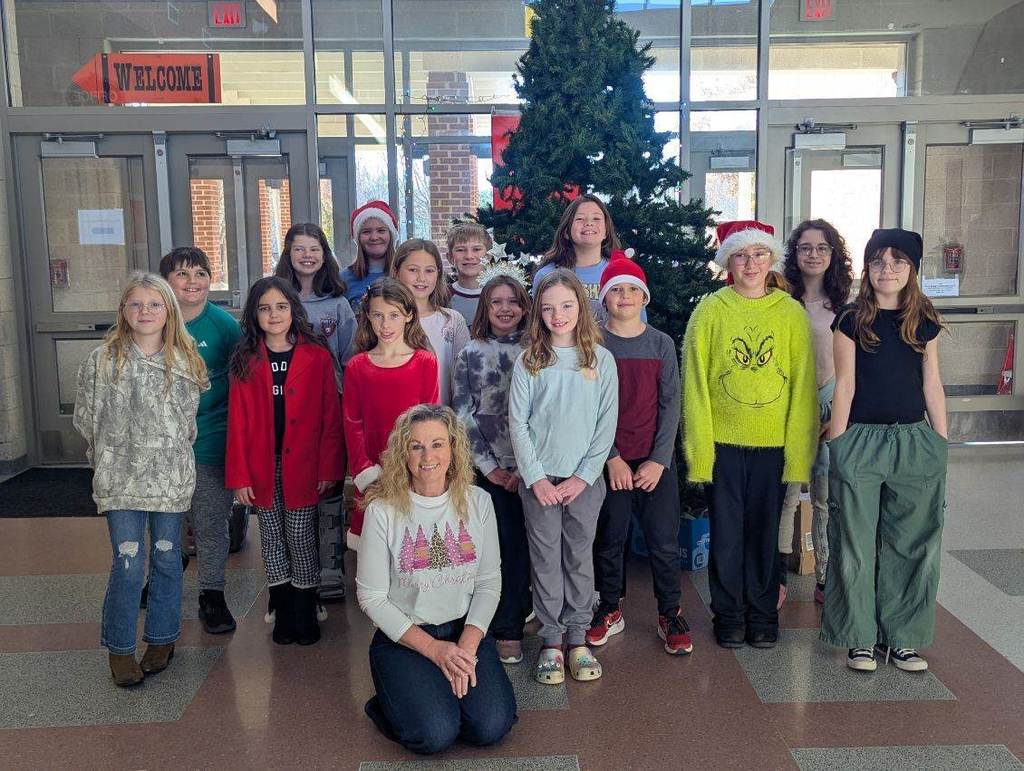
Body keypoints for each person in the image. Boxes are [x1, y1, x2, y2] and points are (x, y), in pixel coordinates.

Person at [681, 220, 817, 650]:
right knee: (727, 530)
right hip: (723, 442)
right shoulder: (711, 310)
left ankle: (762, 614)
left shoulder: (789, 312)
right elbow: (695, 385)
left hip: (772, 444)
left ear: (771, 259)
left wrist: (799, 452)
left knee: (763, 530)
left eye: (759, 254)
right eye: (741, 255)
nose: (751, 263)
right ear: (728, 263)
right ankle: (729, 614)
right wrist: (699, 451)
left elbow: (802, 383)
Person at [820, 228, 948, 674]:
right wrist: (839, 444)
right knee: (855, 542)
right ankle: (859, 638)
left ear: (911, 270)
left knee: (913, 542)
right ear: (867, 269)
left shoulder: (924, 318)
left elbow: (932, 382)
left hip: (914, 440)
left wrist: (940, 440)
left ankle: (904, 638)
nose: (887, 270)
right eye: (878, 261)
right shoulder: (852, 320)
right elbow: (845, 385)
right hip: (861, 440)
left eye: (897, 262)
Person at [356, 404, 517, 755]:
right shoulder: (383, 510)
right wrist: (433, 650)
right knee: (434, 735)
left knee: (491, 726)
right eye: (416, 446)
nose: (428, 455)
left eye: (438, 444)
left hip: (464, 631)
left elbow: (489, 583)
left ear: (454, 449)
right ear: (403, 454)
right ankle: (392, 698)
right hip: (407, 638)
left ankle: (431, 691)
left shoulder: (479, 502)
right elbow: (372, 597)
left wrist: (467, 647)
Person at [73, 272, 208, 686]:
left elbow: (188, 424)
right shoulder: (102, 361)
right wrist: (112, 453)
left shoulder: (186, 362)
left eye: (154, 304)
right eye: (136, 304)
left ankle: (162, 638)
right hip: (120, 480)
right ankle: (119, 648)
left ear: (168, 310)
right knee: (129, 563)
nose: (145, 312)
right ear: (123, 311)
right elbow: (86, 418)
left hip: (169, 480)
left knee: (167, 558)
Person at [509, 269, 618, 684]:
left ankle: (578, 638)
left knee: (577, 555)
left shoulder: (600, 359)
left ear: (581, 308)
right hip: (540, 481)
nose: (559, 315)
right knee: (545, 558)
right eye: (549, 308)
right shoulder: (530, 361)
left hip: (583, 482)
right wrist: (536, 479)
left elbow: (606, 423)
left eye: (567, 306)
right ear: (539, 312)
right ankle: (551, 640)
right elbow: (518, 423)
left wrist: (584, 476)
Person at [225, 276, 344, 646]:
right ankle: (282, 603)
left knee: (300, 534)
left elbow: (330, 417)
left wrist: (328, 468)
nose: (274, 315)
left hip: (305, 465)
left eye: (281, 306)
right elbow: (238, 422)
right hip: (263, 463)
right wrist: (240, 475)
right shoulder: (245, 359)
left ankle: (305, 607)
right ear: (254, 315)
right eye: (264, 308)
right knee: (272, 535)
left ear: (294, 309)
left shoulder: (316, 356)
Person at [587, 253, 693, 656]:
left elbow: (671, 405)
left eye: (633, 289)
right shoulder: (593, 343)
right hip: (608, 460)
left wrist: (658, 460)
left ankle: (670, 612)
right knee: (610, 538)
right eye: (616, 289)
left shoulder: (661, 343)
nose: (625, 296)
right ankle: (610, 607)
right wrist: (611, 456)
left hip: (655, 462)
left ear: (644, 297)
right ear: (605, 298)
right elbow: (591, 406)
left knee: (664, 541)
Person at [158, 247, 242, 633]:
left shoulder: (224, 326)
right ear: (166, 282)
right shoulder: (153, 321)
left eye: (200, 273)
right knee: (164, 522)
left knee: (210, 523)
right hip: (162, 445)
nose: (192, 281)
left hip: (211, 438)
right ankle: (164, 575)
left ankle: (212, 593)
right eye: (181, 274)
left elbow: (244, 381)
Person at [452, 269, 533, 665]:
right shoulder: (470, 353)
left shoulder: (538, 350)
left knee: (524, 548)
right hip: (488, 471)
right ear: (485, 306)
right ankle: (496, 625)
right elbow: (463, 415)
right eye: (496, 301)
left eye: (513, 301)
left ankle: (516, 619)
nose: (505, 308)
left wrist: (525, 468)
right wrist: (489, 468)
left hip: (532, 469)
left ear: (524, 307)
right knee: (494, 548)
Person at [275, 222, 355, 603]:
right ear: (288, 255)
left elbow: (349, 359)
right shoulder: (276, 299)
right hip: (286, 411)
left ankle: (330, 567)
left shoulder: (338, 305)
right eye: (299, 249)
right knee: (291, 494)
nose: (307, 255)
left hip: (328, 409)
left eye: (314, 249)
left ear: (325, 256)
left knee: (328, 490)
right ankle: (291, 572)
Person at [777, 220, 854, 606]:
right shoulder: (781, 300)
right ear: (796, 254)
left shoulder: (845, 304)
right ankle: (777, 577)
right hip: (791, 407)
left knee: (825, 498)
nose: (813, 254)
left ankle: (825, 575)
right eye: (806, 247)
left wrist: (836, 415)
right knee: (789, 495)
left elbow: (852, 367)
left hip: (830, 407)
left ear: (832, 254)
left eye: (822, 248)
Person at [343, 278, 440, 547]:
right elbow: (353, 424)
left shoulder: (425, 362)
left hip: (414, 469)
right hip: (374, 473)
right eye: (378, 316)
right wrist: (366, 472)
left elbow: (430, 423)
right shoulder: (357, 367)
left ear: (409, 316)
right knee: (375, 548)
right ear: (368, 317)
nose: (385, 325)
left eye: (394, 315)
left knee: (413, 547)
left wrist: (419, 468)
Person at [532, 194, 643, 322]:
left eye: (596, 218)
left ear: (606, 231)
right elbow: (538, 328)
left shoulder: (624, 272)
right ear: (566, 232)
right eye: (579, 219)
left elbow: (638, 326)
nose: (589, 223)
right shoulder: (546, 275)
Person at [391, 238, 470, 404]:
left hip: (442, 420)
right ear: (397, 272)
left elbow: (463, 380)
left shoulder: (452, 321)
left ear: (438, 273)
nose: (421, 278)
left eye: (429, 271)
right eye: (413, 270)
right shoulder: (386, 322)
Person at [342, 200, 399, 307]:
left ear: (392, 235)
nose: (374, 237)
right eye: (366, 232)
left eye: (381, 231)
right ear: (357, 238)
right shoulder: (343, 279)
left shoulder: (404, 274)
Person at [446, 222, 493, 322]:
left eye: (476, 249)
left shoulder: (500, 294)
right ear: (450, 257)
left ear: (488, 257)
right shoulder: (442, 297)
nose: (469, 256)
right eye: (460, 250)